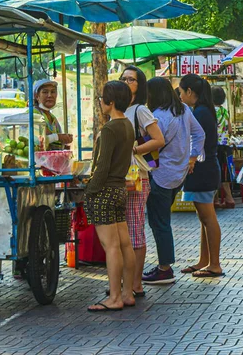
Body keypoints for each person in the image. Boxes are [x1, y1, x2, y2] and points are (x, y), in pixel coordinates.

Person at [142, 77, 205, 285]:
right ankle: (164, 265)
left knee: (159, 223)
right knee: (162, 221)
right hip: (179, 175)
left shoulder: (158, 116)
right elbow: (200, 133)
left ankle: (165, 269)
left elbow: (153, 146)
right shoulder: (184, 110)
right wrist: (192, 156)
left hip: (160, 176)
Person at [85, 80, 136, 312]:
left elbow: (102, 167)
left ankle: (114, 297)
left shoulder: (109, 129)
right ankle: (127, 293)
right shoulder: (128, 126)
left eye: (102, 97)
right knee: (125, 244)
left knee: (112, 247)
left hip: (105, 190)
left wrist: (89, 190)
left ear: (111, 101)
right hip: (119, 190)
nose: (100, 101)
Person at [119, 66, 165, 296]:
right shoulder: (118, 110)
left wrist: (135, 148)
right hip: (119, 178)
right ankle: (128, 281)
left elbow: (159, 140)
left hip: (137, 177)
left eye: (132, 79)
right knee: (124, 230)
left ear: (140, 85)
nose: (127, 82)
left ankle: (135, 284)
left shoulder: (140, 111)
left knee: (135, 229)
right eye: (123, 78)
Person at [179, 74, 224, 278]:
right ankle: (204, 260)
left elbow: (196, 142)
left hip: (203, 170)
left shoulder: (201, 112)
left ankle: (214, 264)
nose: (179, 96)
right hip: (205, 169)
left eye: (181, 92)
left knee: (208, 216)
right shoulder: (202, 110)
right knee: (203, 217)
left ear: (189, 92)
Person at [211, 86, 235, 209]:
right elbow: (230, 130)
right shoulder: (225, 111)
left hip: (215, 146)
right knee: (225, 172)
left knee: (215, 172)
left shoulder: (209, 111)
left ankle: (215, 200)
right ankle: (230, 199)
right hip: (226, 146)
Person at [33, 79, 73, 150]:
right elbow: (35, 142)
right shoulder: (33, 115)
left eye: (53, 92)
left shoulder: (52, 118)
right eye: (45, 92)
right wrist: (57, 137)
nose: (50, 95)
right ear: (37, 96)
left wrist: (64, 142)